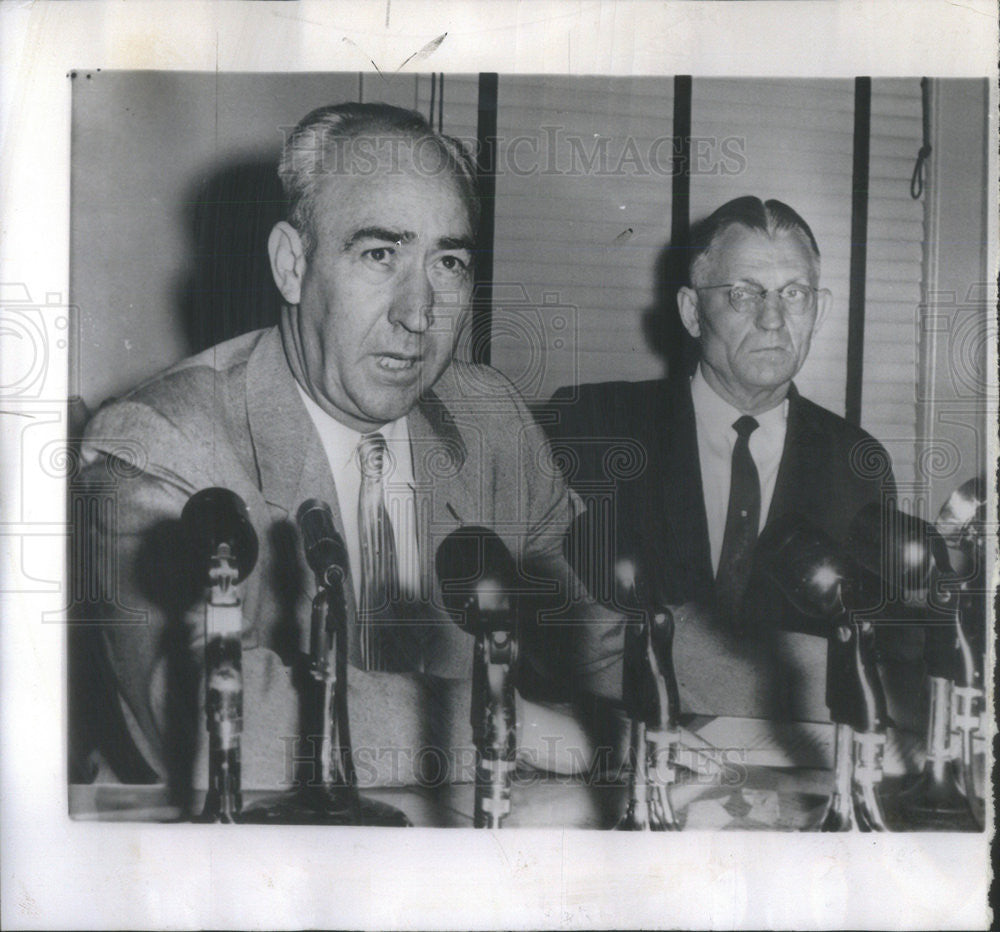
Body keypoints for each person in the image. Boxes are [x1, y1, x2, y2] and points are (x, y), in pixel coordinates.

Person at [78, 103, 620, 795]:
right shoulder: (159, 443)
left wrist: (769, 687)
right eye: (379, 254)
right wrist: (506, 722)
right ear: (292, 265)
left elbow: (599, 633)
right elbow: (205, 715)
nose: (418, 312)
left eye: (448, 262)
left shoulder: (489, 418)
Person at [545, 196, 917, 729]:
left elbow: (874, 654)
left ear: (821, 310)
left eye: (794, 293)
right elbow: (556, 633)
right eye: (743, 294)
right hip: (618, 752)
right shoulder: (593, 427)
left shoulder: (857, 463)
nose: (773, 319)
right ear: (692, 312)